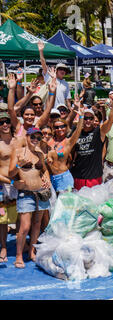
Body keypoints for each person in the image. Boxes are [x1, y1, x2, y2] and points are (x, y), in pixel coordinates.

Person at [9, 127, 52, 268]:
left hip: (40, 193)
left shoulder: (40, 154)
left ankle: (32, 252)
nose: (35, 140)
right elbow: (10, 173)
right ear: (27, 137)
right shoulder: (18, 152)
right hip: (26, 194)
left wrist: (47, 180)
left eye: (38, 138)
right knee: (24, 227)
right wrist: (18, 165)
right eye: (33, 137)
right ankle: (19, 256)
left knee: (37, 225)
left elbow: (44, 170)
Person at [71, 97, 113, 190]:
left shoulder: (99, 132)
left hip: (94, 178)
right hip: (78, 177)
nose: (88, 120)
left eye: (90, 118)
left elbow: (111, 120)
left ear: (94, 120)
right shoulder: (75, 133)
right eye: (85, 118)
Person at [0, 111, 24, 263]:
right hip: (3, 185)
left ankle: (22, 246)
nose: (4, 125)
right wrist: (10, 182)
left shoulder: (18, 141)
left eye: (7, 122)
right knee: (2, 220)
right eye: (1, 122)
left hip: (19, 184)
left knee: (21, 216)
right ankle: (3, 246)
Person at [38, 41, 71, 110]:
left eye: (64, 70)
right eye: (61, 69)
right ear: (56, 70)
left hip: (61, 111)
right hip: (48, 110)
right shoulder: (50, 78)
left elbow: (67, 99)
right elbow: (43, 64)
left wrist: (70, 110)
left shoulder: (66, 84)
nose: (63, 71)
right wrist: (41, 51)